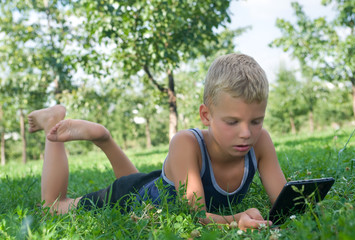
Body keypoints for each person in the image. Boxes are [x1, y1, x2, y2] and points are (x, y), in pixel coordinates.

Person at [28, 53, 286, 230]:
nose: (246, 133)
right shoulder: (187, 143)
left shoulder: (260, 142)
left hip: (152, 190)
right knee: (52, 209)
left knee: (144, 186)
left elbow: (285, 202)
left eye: (256, 121)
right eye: (232, 122)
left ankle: (103, 138)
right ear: (206, 115)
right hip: (129, 196)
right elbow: (193, 216)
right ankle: (53, 122)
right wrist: (234, 219)